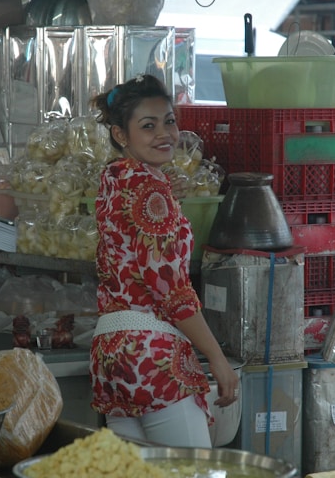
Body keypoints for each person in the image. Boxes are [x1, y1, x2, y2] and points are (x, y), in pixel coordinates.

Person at [88, 73, 240, 447]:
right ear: (121, 135)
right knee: (189, 472)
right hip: (150, 355)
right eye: (148, 125)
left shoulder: (114, 177)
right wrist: (216, 359)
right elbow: (170, 289)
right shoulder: (150, 188)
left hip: (111, 354)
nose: (164, 134)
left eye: (169, 121)